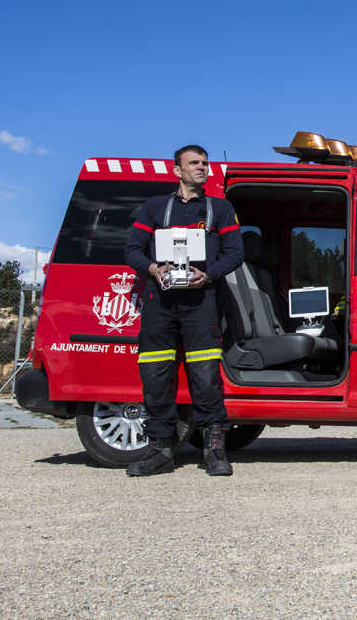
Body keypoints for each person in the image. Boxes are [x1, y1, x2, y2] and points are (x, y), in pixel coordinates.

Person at [123, 144, 243, 476]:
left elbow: (235, 253)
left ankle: (215, 450)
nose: (202, 167)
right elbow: (132, 249)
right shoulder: (154, 208)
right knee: (156, 377)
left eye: (205, 163)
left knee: (205, 378)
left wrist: (209, 274)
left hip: (201, 304)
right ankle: (160, 450)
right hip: (159, 305)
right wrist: (153, 269)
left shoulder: (219, 209)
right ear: (177, 170)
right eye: (194, 163)